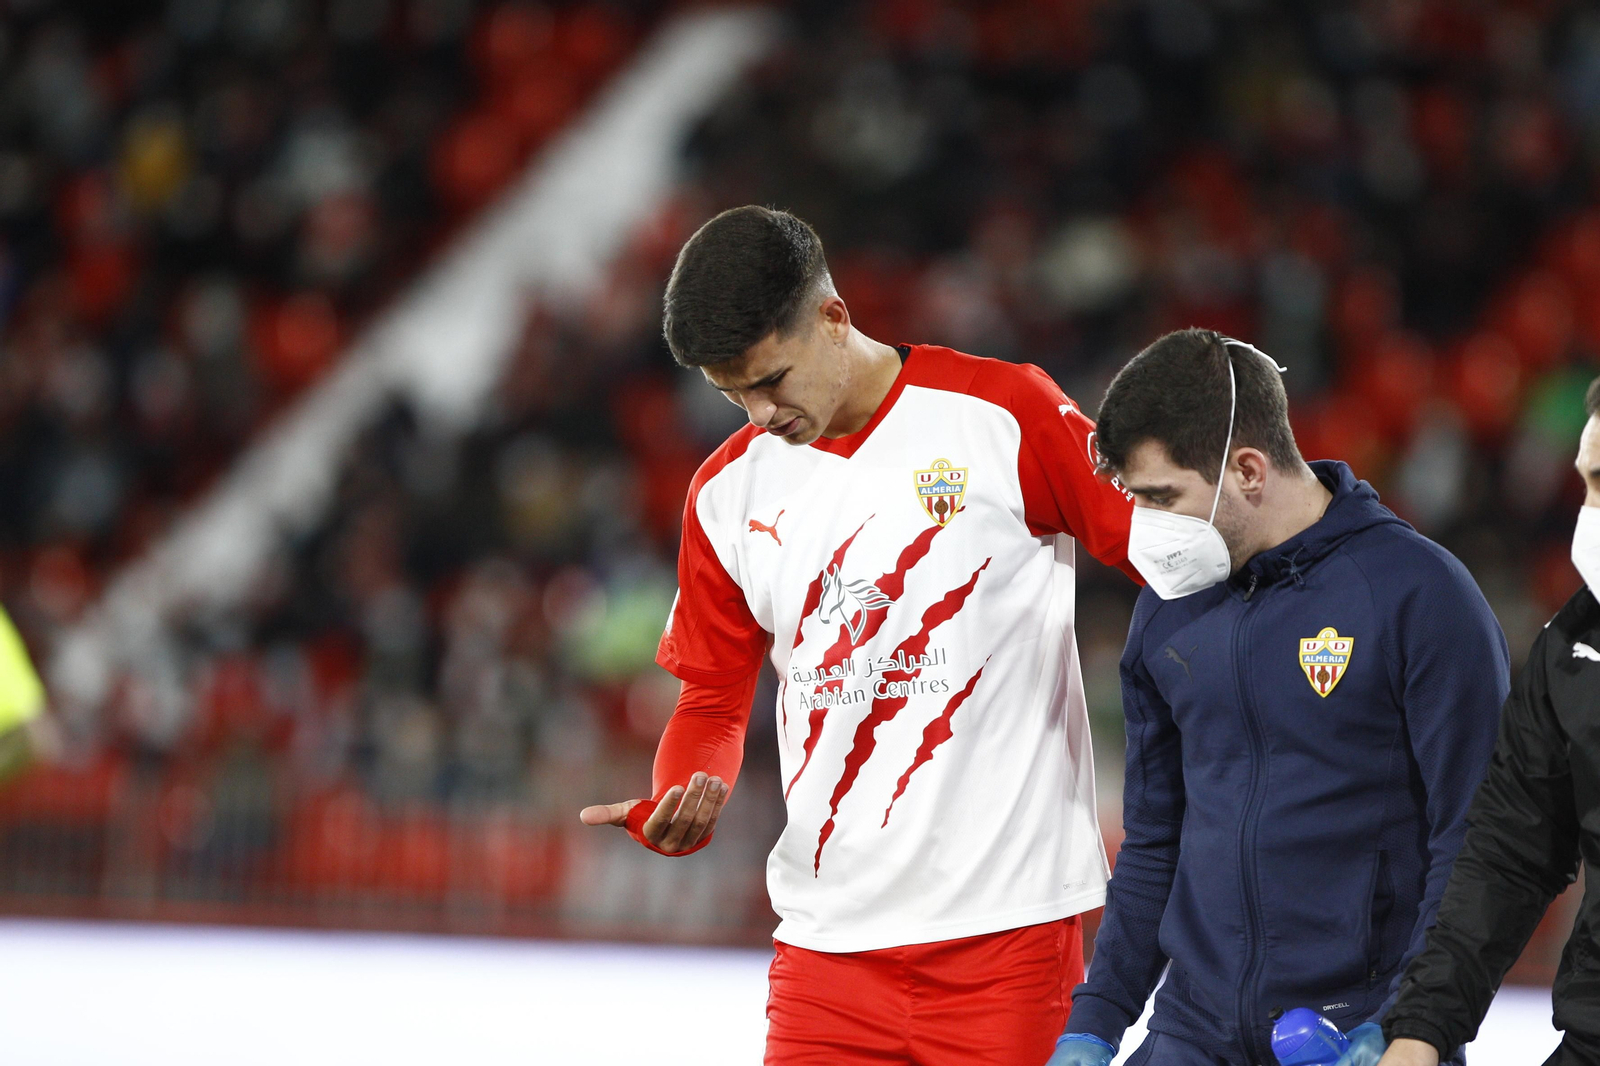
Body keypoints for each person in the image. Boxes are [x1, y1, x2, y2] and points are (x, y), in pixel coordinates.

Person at [579, 205, 1140, 1065]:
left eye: (771, 380)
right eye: (731, 394)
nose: (760, 413)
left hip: (1009, 940)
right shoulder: (726, 495)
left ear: (834, 319)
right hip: (825, 952)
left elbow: (1164, 553)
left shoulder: (1003, 412)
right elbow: (712, 700)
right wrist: (683, 792)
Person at [1048, 328, 1508, 1066]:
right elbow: (1155, 839)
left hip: (1358, 1032)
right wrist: (1095, 1024)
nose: (1143, 527)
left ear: (1249, 471)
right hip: (1192, 1032)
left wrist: (1413, 1023)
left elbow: (1477, 842)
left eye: (1162, 497)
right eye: (1134, 498)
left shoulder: (1419, 596)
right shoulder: (1166, 608)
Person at [1376, 375, 1600, 1066]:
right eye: (1588, 483)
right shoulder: (1573, 644)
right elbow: (1511, 850)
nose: (1588, 511)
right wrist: (1420, 1032)